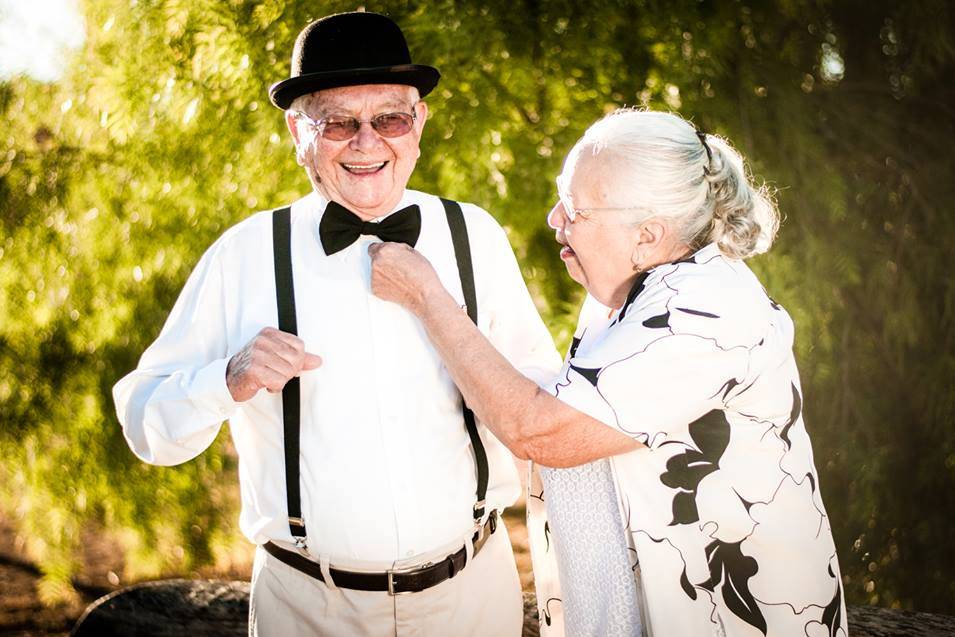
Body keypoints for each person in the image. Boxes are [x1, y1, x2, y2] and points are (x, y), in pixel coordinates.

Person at [112, 11, 560, 636]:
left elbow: (542, 398)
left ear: (419, 125)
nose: (367, 142)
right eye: (339, 123)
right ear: (298, 131)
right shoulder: (244, 255)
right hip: (307, 608)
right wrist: (227, 379)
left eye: (390, 118)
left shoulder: (472, 236)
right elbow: (146, 426)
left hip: (474, 595)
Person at [369, 109, 848, 636]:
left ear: (647, 235)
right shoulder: (620, 302)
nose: (555, 218)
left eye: (575, 209)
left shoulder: (705, 313)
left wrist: (429, 299)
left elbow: (542, 431)